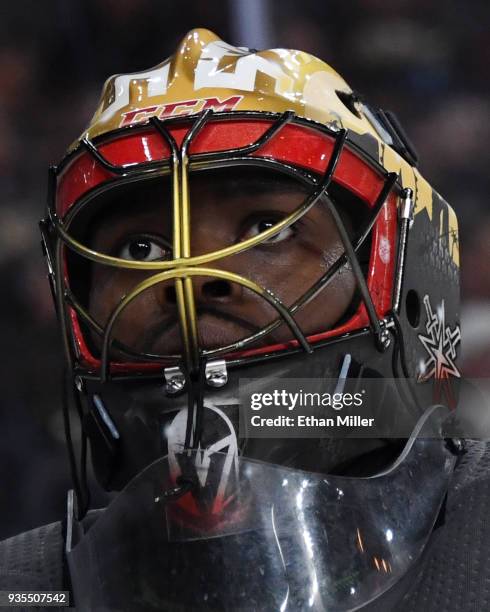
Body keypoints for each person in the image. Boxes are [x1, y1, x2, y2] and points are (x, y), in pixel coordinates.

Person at [0, 27, 486, 611]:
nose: (190, 274)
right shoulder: (20, 586)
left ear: (404, 277)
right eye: (142, 249)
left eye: (265, 229)